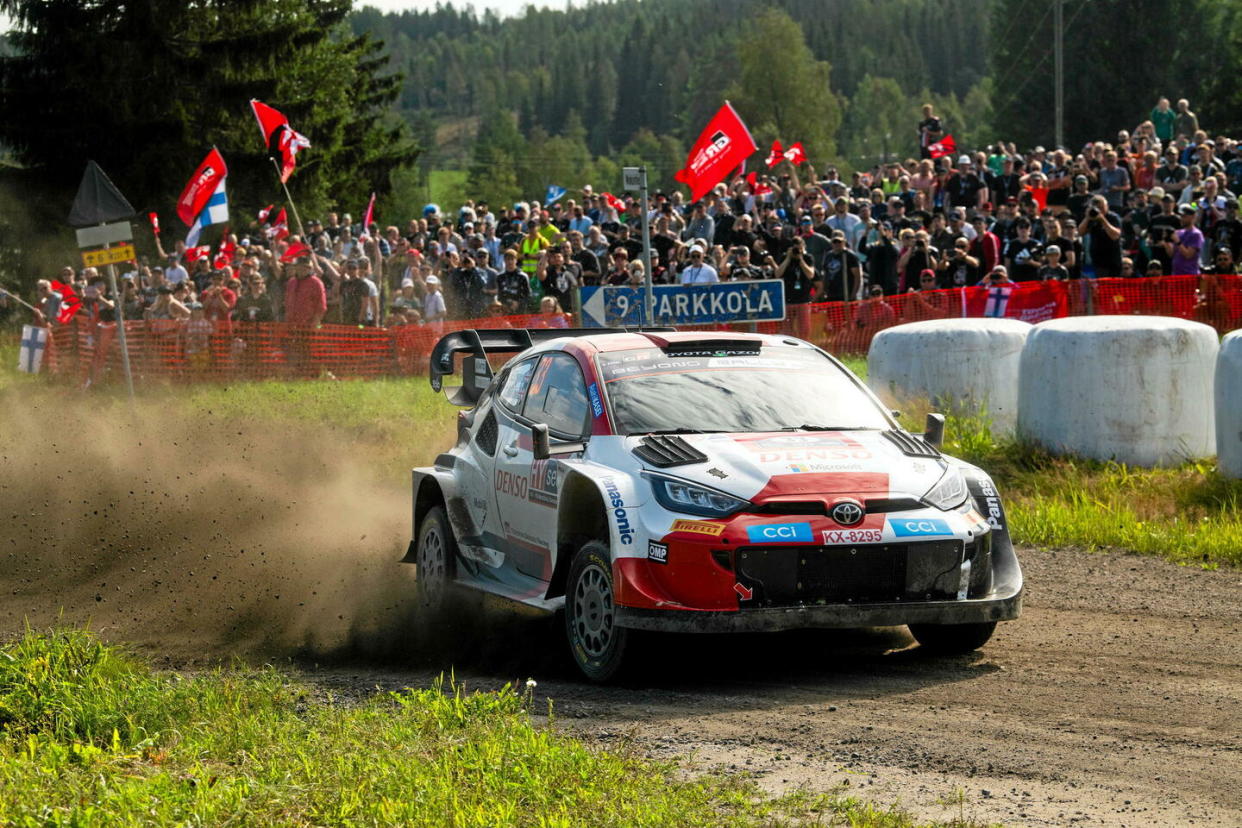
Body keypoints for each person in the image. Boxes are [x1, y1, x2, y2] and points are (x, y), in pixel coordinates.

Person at [1172, 204, 1204, 275]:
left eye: (1184, 216)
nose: (1181, 218)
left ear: (1192, 217)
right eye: (1181, 216)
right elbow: (1171, 253)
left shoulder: (1196, 234)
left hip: (1190, 274)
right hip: (1176, 274)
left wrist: (1177, 241)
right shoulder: (1178, 232)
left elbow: (1188, 255)